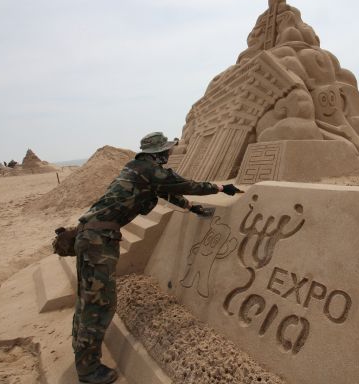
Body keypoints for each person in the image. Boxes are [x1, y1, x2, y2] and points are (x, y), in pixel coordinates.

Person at [72, 131, 241, 384]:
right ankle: (88, 370)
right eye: (167, 151)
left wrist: (190, 207)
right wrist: (220, 187)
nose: (169, 154)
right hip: (99, 240)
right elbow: (185, 184)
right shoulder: (151, 171)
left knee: (87, 298)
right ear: (158, 153)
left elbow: (168, 193)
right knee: (99, 304)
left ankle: (81, 350)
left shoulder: (136, 168)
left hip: (89, 234)